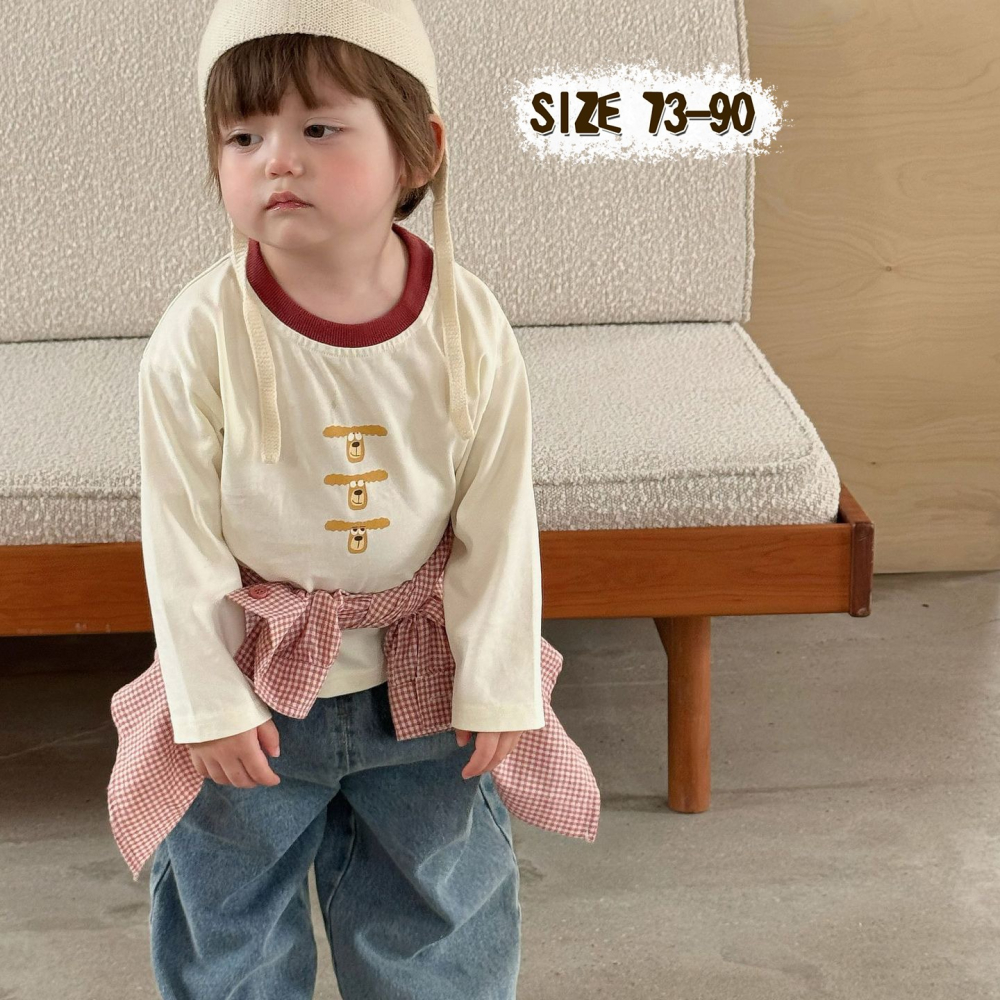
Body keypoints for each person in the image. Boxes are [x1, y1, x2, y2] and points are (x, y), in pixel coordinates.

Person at [129, 0, 587, 997]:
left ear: (419, 149)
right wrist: (205, 699)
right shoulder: (197, 338)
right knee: (228, 918)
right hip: (253, 684)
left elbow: (498, 521)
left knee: (437, 915)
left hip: (425, 685)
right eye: (243, 136)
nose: (277, 160)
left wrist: (499, 679)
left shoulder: (468, 324)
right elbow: (178, 536)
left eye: (319, 127)